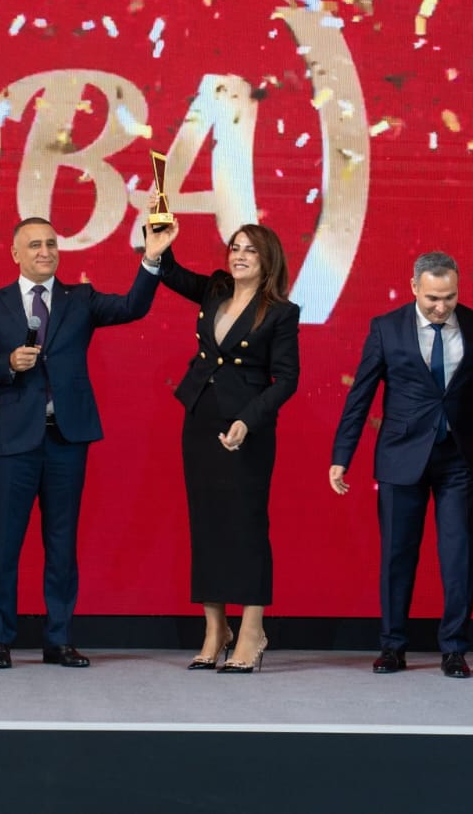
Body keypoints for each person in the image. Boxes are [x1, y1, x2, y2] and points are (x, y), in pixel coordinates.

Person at [0, 217, 178, 669]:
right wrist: (7, 363)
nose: (45, 251)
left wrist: (152, 258)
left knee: (61, 543)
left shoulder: (80, 299)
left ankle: (58, 639)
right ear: (15, 254)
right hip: (13, 443)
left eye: (51, 244)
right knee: (4, 544)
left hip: (66, 439)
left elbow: (132, 307)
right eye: (34, 245)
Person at [330, 251, 473, 678]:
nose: (441, 307)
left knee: (459, 556)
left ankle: (454, 649)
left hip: (459, 458)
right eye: (433, 298)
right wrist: (342, 456)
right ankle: (392, 646)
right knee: (396, 556)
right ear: (414, 287)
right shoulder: (386, 328)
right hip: (400, 457)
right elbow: (360, 395)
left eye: (449, 297)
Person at [155, 222, 301, 674]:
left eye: (250, 251)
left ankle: (252, 629)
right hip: (201, 417)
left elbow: (287, 379)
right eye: (235, 248)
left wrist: (247, 420)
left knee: (246, 525)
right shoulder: (216, 289)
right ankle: (215, 629)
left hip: (247, 427)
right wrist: (159, 247)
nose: (238, 256)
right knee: (207, 522)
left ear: (267, 260)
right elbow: (171, 273)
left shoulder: (280, 312)